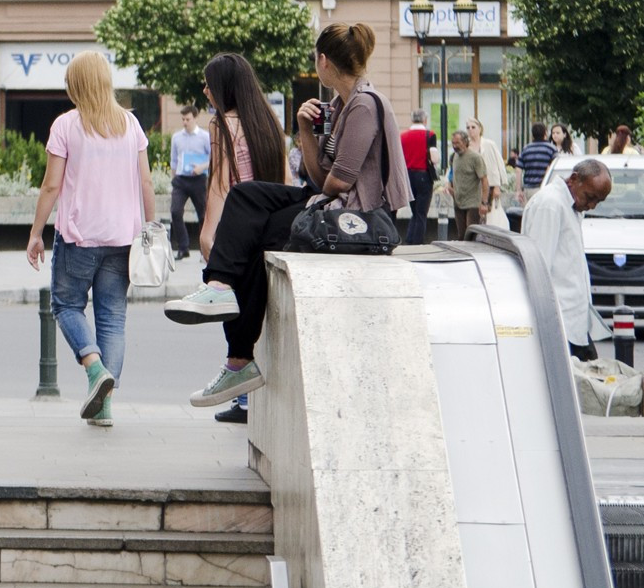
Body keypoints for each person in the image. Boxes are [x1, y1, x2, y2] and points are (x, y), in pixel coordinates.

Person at [166, 23, 410, 407]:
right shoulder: (343, 105)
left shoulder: (364, 104)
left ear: (324, 61)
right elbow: (317, 177)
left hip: (356, 219)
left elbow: (337, 182)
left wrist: (315, 184)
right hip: (335, 206)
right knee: (246, 197)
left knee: (256, 232)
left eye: (316, 59)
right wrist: (304, 129)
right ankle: (220, 293)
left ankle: (238, 357)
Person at [25, 52, 155, 429]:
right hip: (123, 240)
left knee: (66, 306)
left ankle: (94, 367)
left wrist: (35, 233)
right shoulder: (130, 124)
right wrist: (152, 227)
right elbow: (146, 182)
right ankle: (103, 407)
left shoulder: (66, 125)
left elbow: (51, 185)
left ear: (76, 84)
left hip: (80, 238)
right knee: (112, 319)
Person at [195, 53, 290, 425]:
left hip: (238, 226)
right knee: (248, 296)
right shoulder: (268, 120)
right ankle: (243, 386)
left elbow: (221, 182)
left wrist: (207, 234)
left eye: (208, 84)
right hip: (267, 224)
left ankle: (238, 369)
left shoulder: (221, 123)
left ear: (224, 88)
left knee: (226, 295)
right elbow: (282, 180)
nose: (205, 90)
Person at [521, 159, 614, 361]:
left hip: (574, 322)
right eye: (590, 197)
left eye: (598, 201)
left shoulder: (568, 204)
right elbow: (538, 268)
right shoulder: (551, 205)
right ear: (574, 179)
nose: (591, 206)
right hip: (559, 323)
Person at [169, 104, 210, 261]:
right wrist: (174, 178)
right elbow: (173, 160)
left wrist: (202, 167)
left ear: (195, 118)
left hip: (198, 179)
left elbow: (213, 159)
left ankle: (204, 250)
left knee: (203, 214)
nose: (185, 122)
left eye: (188, 119)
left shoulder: (205, 137)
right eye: (183, 119)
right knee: (175, 211)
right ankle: (183, 247)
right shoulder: (176, 137)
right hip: (180, 180)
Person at [399, 110, 440, 245]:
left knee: (414, 211)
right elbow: (434, 159)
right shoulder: (430, 135)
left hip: (408, 176)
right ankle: (417, 243)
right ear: (425, 120)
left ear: (412, 120)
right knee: (421, 213)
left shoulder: (402, 136)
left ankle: (410, 239)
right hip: (423, 175)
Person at [448, 130, 488, 240]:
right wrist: (449, 186)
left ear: (465, 142)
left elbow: (484, 180)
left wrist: (484, 203)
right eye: (453, 143)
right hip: (458, 201)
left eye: (457, 143)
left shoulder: (475, 158)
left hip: (472, 203)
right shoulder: (454, 157)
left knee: (470, 235)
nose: (455, 146)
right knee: (461, 235)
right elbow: (452, 174)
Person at [465, 118, 504, 222]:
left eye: (473, 127)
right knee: (473, 215)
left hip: (488, 184)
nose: (470, 130)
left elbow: (495, 165)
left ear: (480, 128)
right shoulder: (466, 146)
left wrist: (497, 186)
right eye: (468, 127)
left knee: (489, 214)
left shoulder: (489, 144)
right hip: (471, 187)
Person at [516, 123, 560, 206]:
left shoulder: (526, 148)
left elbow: (518, 169)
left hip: (528, 189)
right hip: (545, 188)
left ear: (532, 135)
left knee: (529, 215)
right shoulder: (551, 148)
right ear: (545, 133)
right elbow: (556, 167)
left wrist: (518, 190)